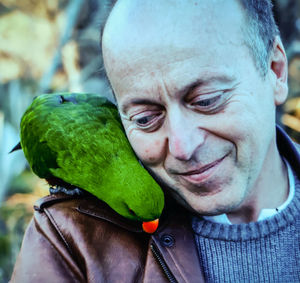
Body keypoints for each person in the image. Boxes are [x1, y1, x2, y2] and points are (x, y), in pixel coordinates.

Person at [11, 0, 300, 282]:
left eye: (206, 101)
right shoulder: (67, 238)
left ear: (275, 70)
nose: (182, 147)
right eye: (145, 118)